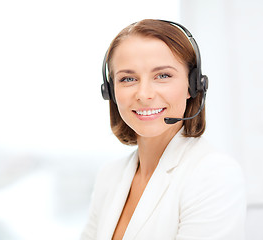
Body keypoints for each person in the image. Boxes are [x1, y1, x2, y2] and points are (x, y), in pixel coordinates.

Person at [81, 19, 246, 240]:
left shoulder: (213, 175)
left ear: (193, 85)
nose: (144, 94)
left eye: (163, 76)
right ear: (110, 91)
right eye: (128, 79)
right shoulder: (109, 176)